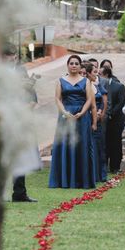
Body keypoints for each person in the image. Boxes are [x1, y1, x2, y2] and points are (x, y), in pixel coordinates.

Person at [48, 54, 98, 188]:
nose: (74, 65)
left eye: (76, 63)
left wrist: (82, 112)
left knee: (82, 146)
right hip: (66, 116)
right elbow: (57, 98)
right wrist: (64, 112)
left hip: (82, 117)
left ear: (80, 66)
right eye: (72, 63)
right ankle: (64, 180)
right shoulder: (60, 81)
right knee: (66, 145)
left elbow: (89, 99)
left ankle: (82, 180)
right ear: (68, 65)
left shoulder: (86, 81)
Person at [2, 44, 41, 202]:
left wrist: (30, 104)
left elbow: (30, 92)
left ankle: (19, 193)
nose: (12, 58)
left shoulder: (22, 71)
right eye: (8, 55)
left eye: (14, 55)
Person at [101, 65, 125, 174]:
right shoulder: (99, 85)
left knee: (115, 143)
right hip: (103, 119)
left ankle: (115, 166)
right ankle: (104, 165)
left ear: (106, 74)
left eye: (100, 74)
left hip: (116, 120)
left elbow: (121, 103)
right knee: (104, 143)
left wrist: (110, 113)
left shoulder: (119, 86)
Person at [86, 62, 108, 182]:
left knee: (100, 147)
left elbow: (102, 100)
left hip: (98, 120)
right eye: (94, 72)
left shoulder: (97, 85)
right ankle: (91, 175)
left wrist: (100, 111)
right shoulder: (84, 85)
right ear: (88, 74)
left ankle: (101, 174)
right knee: (91, 147)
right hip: (88, 119)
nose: (97, 74)